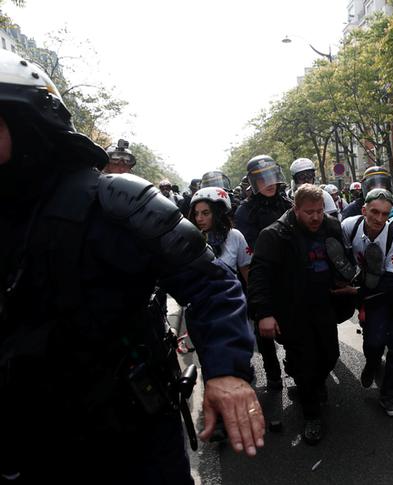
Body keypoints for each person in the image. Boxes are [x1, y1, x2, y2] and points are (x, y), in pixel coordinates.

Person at [0, 50, 263, 483]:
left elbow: (214, 287)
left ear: (31, 126)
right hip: (29, 442)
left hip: (130, 441)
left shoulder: (116, 203)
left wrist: (228, 372)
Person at [248, 184, 350, 444]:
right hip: (292, 311)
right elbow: (259, 276)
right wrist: (264, 313)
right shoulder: (275, 235)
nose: (315, 217)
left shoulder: (330, 226)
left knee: (329, 356)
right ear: (295, 209)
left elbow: (343, 260)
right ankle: (311, 414)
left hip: (323, 306)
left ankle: (308, 383)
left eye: (319, 211)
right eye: (309, 212)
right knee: (306, 365)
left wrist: (348, 285)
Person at [342, 188, 393, 417]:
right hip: (371, 288)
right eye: (374, 212)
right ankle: (372, 363)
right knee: (373, 341)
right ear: (364, 210)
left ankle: (388, 396)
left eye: (385, 214)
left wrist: (354, 293)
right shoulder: (349, 226)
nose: (379, 219)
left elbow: (389, 282)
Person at [234, 155, 291, 392]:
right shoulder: (245, 211)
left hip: (289, 274)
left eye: (271, 177)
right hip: (260, 276)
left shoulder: (288, 204)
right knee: (263, 331)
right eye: (262, 179)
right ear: (253, 183)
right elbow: (252, 249)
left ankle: (294, 363)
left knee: (291, 324)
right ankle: (272, 373)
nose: (268, 183)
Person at [190, 186, 252, 283]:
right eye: (196, 213)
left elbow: (247, 272)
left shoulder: (235, 236)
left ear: (218, 213)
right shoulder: (192, 239)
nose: (199, 218)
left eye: (205, 213)